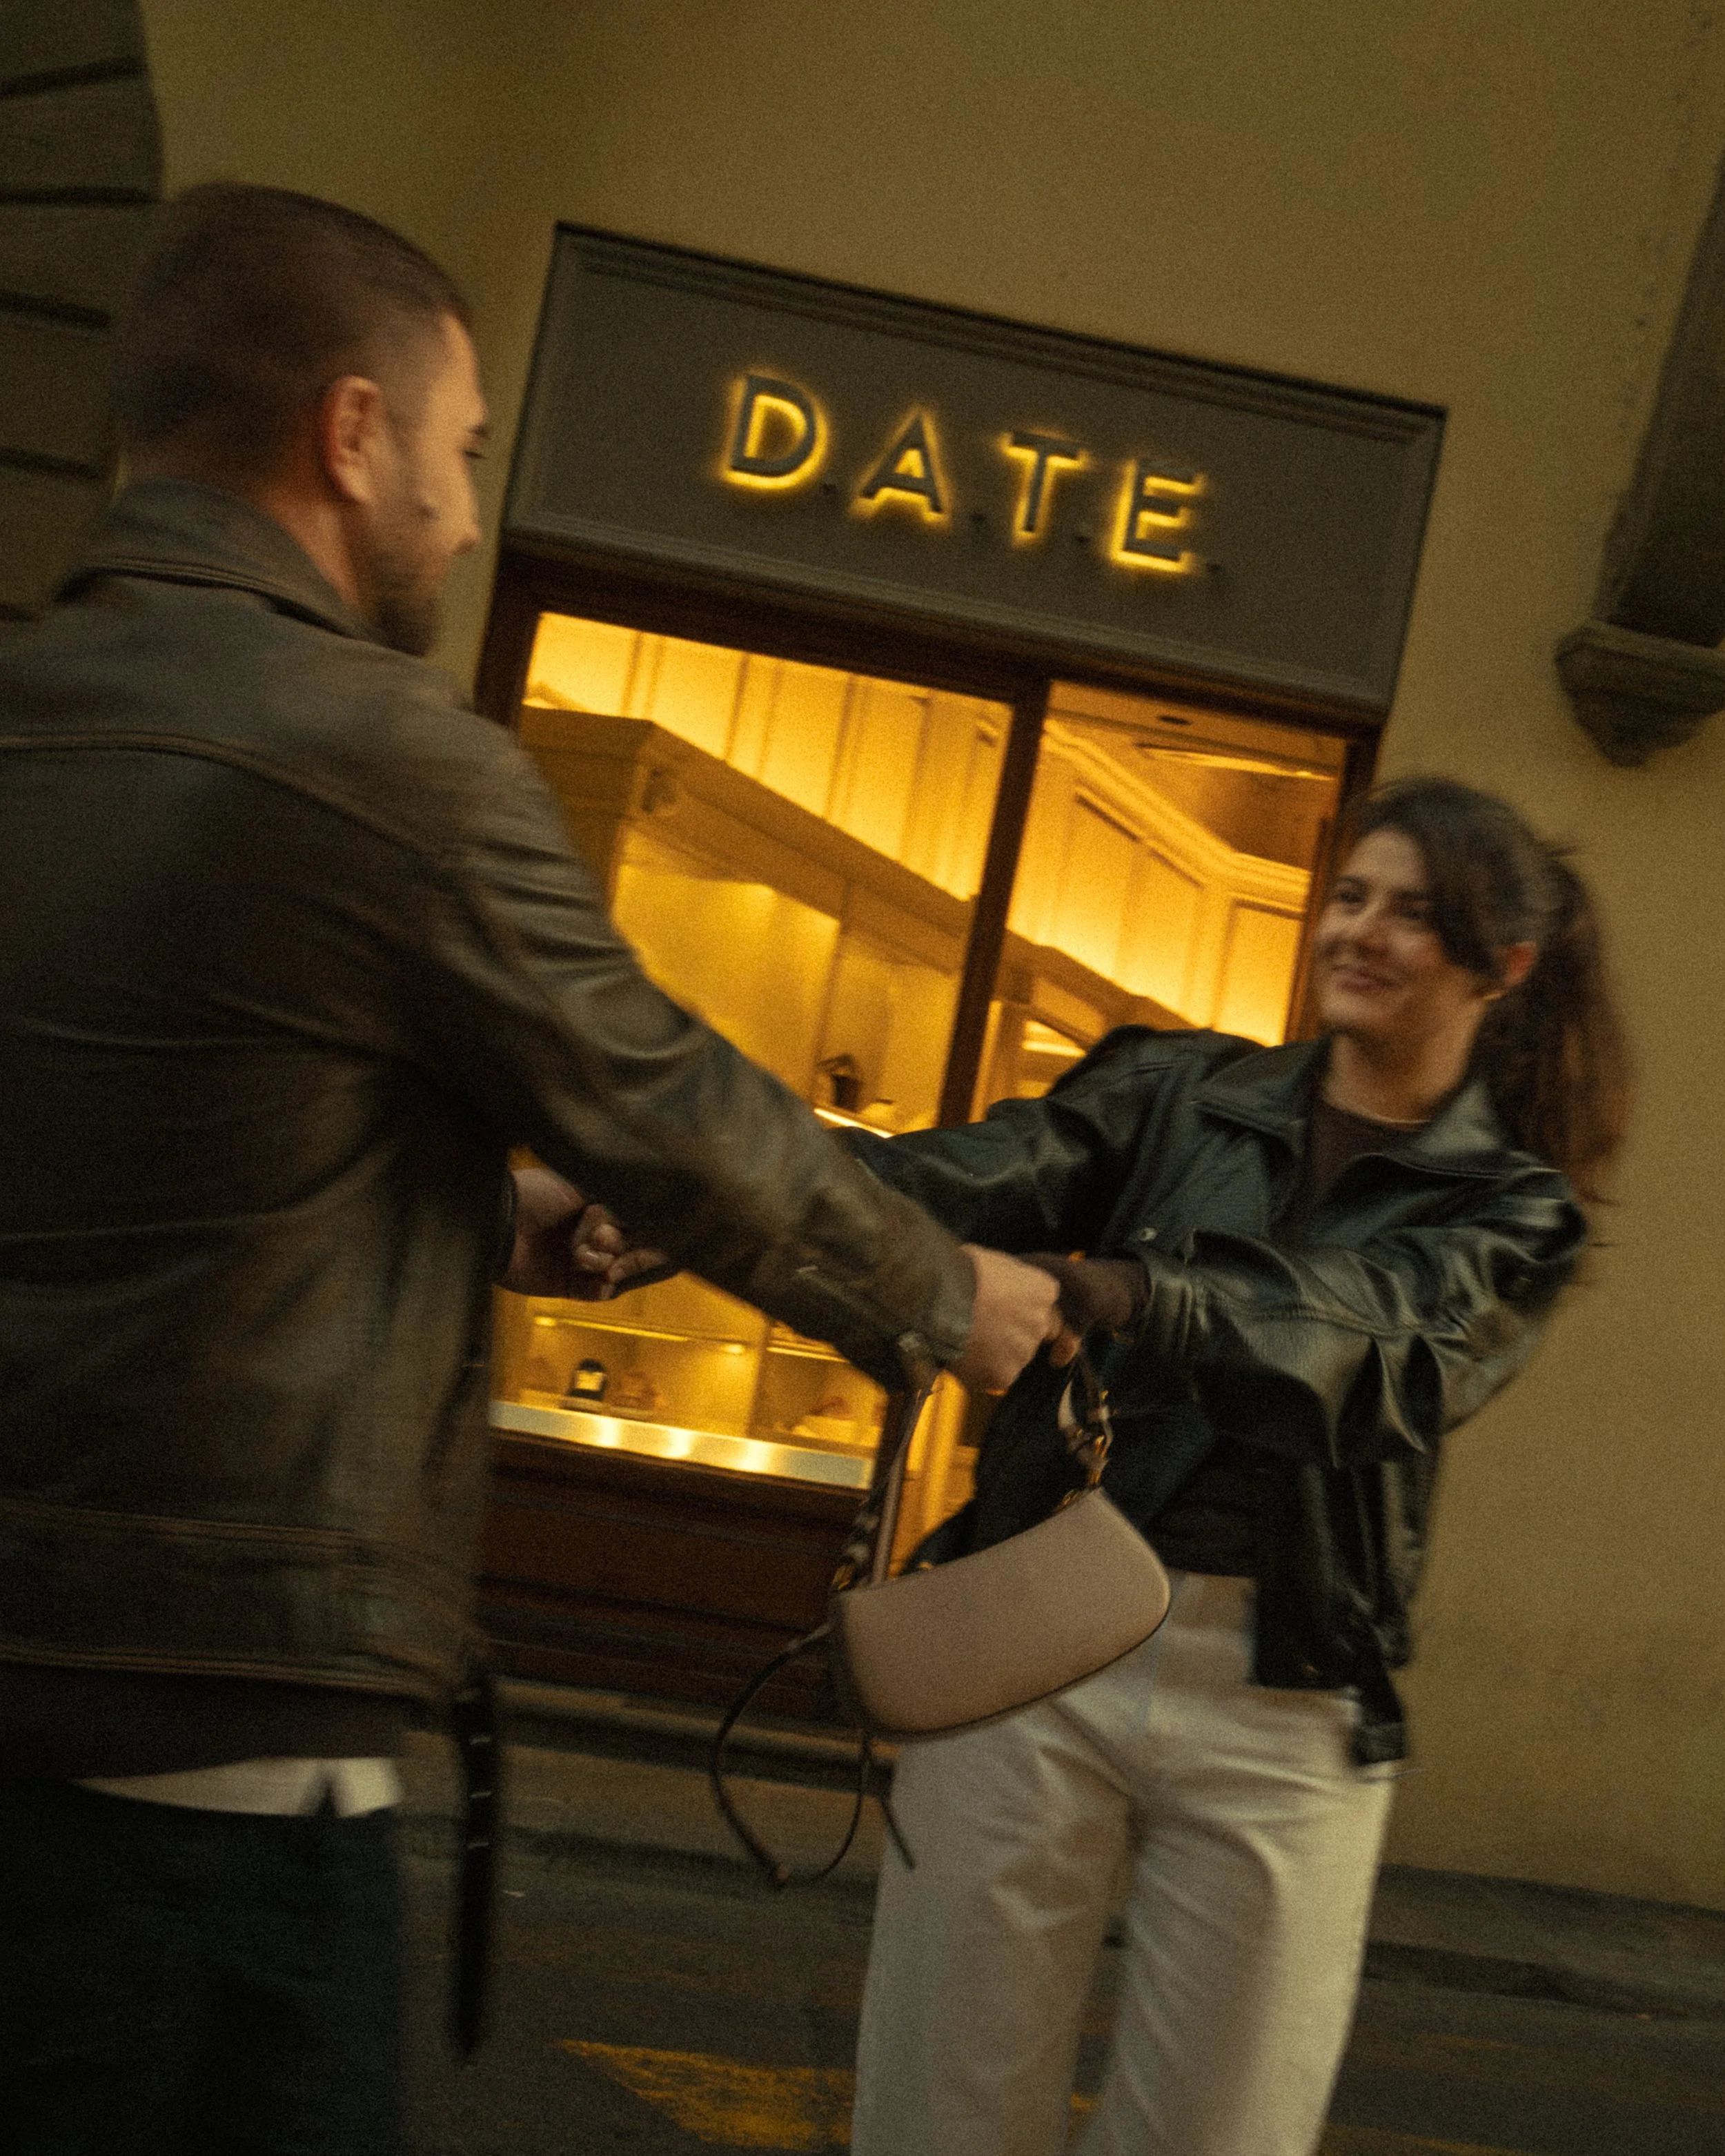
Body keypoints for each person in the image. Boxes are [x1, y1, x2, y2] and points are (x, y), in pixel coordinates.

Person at [0, 184, 1061, 2156]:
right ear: (349, 434)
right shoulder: (384, 754)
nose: (471, 512)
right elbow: (662, 1101)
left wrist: (481, 1212)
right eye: (464, 449)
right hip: (218, 1752)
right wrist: (951, 1292)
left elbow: (160, 1134)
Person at [838, 777, 1631, 2156]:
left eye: (1414, 913)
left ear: (1499, 966)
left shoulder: (1510, 1212)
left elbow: (1374, 1340)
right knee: (937, 2111)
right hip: (1036, 1635)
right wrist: (677, 1201)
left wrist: (1118, 1294)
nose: (1362, 931)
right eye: (1350, 896)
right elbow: (943, 1180)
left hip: (1289, 1696)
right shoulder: (1170, 1091)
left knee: (1223, 2131)